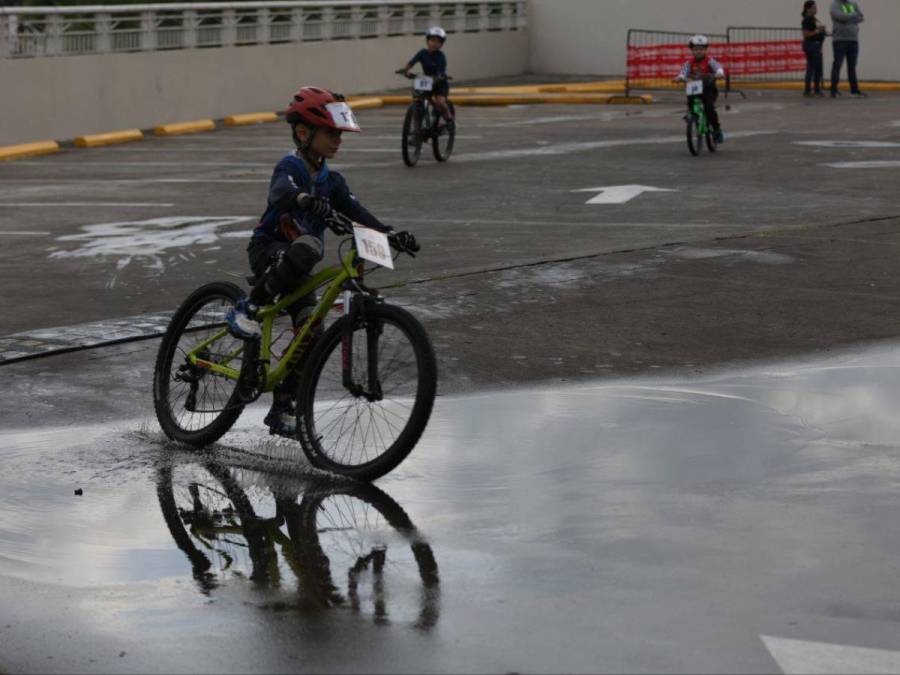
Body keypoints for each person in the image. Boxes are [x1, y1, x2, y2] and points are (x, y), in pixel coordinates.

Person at [226, 86, 418, 436]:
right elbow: (280, 192)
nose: (338, 140)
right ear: (304, 132)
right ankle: (247, 309)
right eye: (331, 133)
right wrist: (303, 199)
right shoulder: (291, 165)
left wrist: (390, 234)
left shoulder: (333, 181)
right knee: (310, 245)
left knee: (311, 334)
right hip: (270, 250)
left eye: (340, 133)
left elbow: (358, 212)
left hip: (299, 267)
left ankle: (284, 407)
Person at [674, 35, 726, 144]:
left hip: (708, 89)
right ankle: (691, 114)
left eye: (701, 49)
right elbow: (682, 73)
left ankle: (716, 130)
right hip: (694, 87)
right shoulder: (688, 63)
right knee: (691, 101)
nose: (698, 52)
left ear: (705, 50)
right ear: (692, 50)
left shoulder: (710, 61)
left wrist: (719, 73)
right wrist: (680, 78)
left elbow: (718, 67)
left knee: (709, 108)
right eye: (696, 49)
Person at [400, 25, 454, 126]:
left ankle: (449, 118)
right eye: (432, 40)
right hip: (427, 83)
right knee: (418, 104)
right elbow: (412, 62)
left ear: (441, 44)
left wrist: (438, 77)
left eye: (438, 42)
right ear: (427, 40)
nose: (435, 44)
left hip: (440, 84)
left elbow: (440, 73)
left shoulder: (441, 57)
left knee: (440, 103)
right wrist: (405, 70)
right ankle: (417, 131)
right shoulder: (422, 53)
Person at [829, 0, 866, 97]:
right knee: (837, 65)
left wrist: (849, 17)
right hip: (840, 40)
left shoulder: (853, 3)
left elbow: (861, 17)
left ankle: (854, 90)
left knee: (852, 66)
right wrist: (853, 15)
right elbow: (840, 17)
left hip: (853, 39)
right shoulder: (834, 5)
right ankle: (833, 90)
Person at [802, 1, 828, 96]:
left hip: (816, 45)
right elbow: (806, 34)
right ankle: (808, 89)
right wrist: (818, 31)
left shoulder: (814, 19)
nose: (816, 9)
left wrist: (823, 31)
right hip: (811, 45)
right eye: (813, 7)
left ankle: (817, 89)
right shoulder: (807, 20)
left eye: (815, 7)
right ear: (808, 9)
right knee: (811, 68)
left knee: (818, 68)